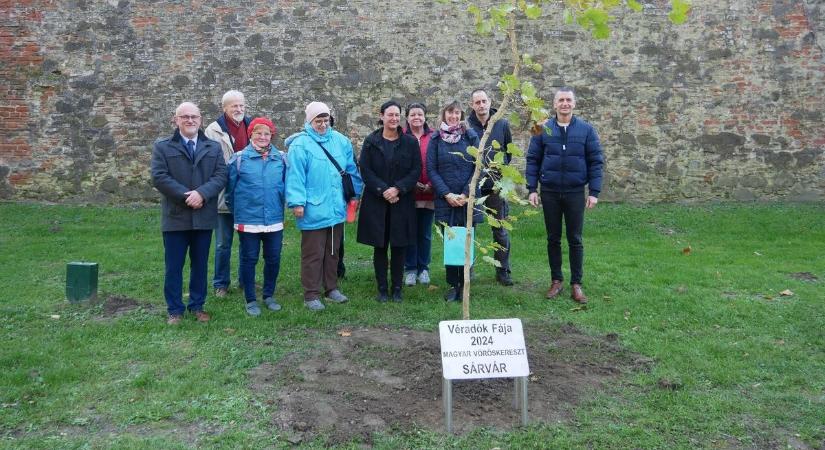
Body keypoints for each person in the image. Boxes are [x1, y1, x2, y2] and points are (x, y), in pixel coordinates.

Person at [150, 102, 226, 324]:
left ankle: (197, 305)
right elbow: (159, 177)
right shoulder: (163, 146)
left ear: (200, 120)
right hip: (176, 216)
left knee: (200, 264)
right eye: (185, 117)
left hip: (203, 215)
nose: (190, 120)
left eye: (194, 117)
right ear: (176, 120)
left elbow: (221, 175)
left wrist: (201, 194)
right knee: (174, 266)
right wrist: (187, 196)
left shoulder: (212, 147)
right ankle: (174, 309)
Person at [526, 87, 604, 304]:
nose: (565, 104)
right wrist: (532, 188)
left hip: (575, 192)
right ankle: (556, 280)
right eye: (561, 100)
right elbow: (533, 159)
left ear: (574, 104)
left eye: (568, 100)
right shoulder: (542, 129)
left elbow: (596, 161)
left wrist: (594, 192)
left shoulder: (587, 130)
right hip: (549, 192)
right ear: (554, 104)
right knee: (553, 238)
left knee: (575, 239)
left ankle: (576, 283)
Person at [286, 101, 364, 311]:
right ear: (309, 122)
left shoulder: (341, 141)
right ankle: (311, 293)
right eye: (317, 121)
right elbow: (295, 176)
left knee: (333, 251)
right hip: (312, 207)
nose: (322, 124)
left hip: (336, 206)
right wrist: (296, 202)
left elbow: (351, 170)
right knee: (313, 253)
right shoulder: (300, 145)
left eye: (325, 120)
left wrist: (354, 195)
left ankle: (331, 288)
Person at [356, 101, 421, 302]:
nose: (394, 118)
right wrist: (383, 190)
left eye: (397, 115)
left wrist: (398, 188)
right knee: (380, 246)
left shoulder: (410, 142)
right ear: (382, 116)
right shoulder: (371, 141)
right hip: (377, 201)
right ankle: (383, 289)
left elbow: (416, 169)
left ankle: (398, 288)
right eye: (390, 115)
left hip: (401, 201)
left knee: (400, 246)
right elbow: (365, 169)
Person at [225, 117, 286, 316]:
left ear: (271, 136)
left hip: (274, 218)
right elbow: (230, 191)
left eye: (266, 133)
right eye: (258, 133)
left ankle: (268, 295)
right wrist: (240, 212)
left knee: (273, 258)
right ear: (251, 134)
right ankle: (250, 299)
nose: (262, 137)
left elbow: (285, 187)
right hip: (248, 219)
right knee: (249, 258)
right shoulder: (239, 159)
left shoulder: (281, 159)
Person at [426, 100, 483, 302]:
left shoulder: (470, 136)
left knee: (466, 241)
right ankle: (453, 285)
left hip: (467, 199)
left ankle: (465, 282)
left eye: (457, 113)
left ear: (461, 115)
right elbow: (431, 169)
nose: (453, 116)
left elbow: (479, 165)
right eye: (450, 112)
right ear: (444, 114)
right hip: (445, 200)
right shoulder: (435, 139)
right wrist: (447, 194)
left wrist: (466, 194)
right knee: (451, 242)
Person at [204, 90, 251, 298]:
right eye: (234, 106)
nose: (239, 109)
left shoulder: (252, 127)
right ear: (225, 108)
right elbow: (208, 163)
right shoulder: (213, 131)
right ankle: (221, 284)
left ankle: (244, 281)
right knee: (223, 243)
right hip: (223, 197)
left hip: (247, 196)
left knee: (247, 242)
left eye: (241, 105)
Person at [467, 88, 514, 286]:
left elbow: (508, 153)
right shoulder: (466, 125)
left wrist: (498, 174)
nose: (481, 105)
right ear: (472, 105)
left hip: (495, 186)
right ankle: (467, 271)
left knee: (500, 230)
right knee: (470, 230)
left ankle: (503, 271)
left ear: (489, 102)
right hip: (473, 186)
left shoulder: (501, 123)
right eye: (477, 102)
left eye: (484, 101)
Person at [402, 102, 435, 287]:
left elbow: (437, 160)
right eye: (413, 114)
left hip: (430, 193)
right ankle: (410, 269)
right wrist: (410, 183)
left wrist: (431, 184)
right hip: (409, 193)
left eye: (420, 114)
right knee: (410, 232)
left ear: (425, 117)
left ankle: (424, 268)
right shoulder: (402, 137)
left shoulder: (433, 137)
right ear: (407, 117)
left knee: (425, 233)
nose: (416, 117)